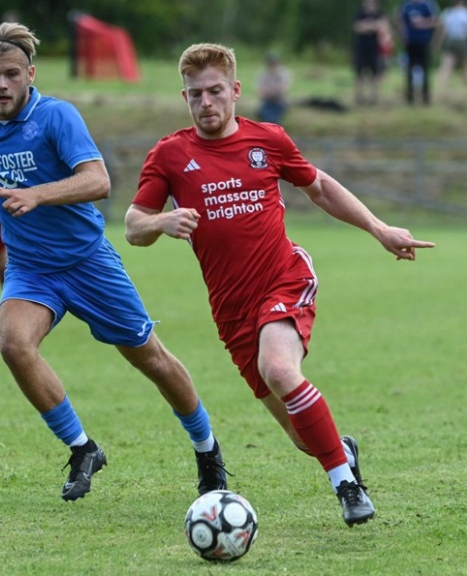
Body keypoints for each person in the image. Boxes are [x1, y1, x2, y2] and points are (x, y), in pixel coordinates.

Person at [125, 43, 435, 527]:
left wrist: (379, 229)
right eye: (195, 95)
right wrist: (161, 222)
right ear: (183, 97)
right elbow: (132, 226)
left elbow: (320, 187)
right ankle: (341, 451)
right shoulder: (170, 154)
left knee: (278, 368)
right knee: (299, 436)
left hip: (284, 278)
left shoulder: (267, 139)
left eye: (215, 91)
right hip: (231, 310)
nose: (206, 102)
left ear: (236, 91)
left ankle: (346, 487)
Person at [0, 22, 228, 502]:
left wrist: (38, 194)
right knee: (13, 343)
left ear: (31, 73)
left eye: (11, 74)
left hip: (88, 263)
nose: (1, 85)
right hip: (31, 269)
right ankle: (82, 448)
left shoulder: (56, 117)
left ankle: (207, 449)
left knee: (150, 359)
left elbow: (98, 182)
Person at [433, 0, 467, 94]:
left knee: (447, 62)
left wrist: (438, 43)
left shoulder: (447, 12)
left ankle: (442, 82)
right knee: (466, 62)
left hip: (451, 40)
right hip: (462, 39)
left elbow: (442, 30)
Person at [397, 0, 439, 106]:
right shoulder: (406, 5)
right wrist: (403, 35)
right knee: (409, 70)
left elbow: (435, 21)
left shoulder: (428, 5)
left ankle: (425, 97)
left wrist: (423, 23)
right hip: (410, 42)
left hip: (423, 42)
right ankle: (410, 97)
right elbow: (400, 20)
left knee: (425, 70)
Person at [353, 0, 390, 107]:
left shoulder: (379, 13)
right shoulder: (359, 13)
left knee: (375, 73)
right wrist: (373, 26)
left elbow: (383, 28)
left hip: (374, 48)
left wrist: (367, 26)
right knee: (359, 73)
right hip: (361, 47)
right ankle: (359, 97)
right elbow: (357, 28)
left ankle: (373, 97)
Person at [255, 52, 291, 124]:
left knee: (272, 117)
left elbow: (284, 89)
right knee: (264, 113)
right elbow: (260, 90)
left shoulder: (283, 73)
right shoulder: (263, 74)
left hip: (279, 101)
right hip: (267, 101)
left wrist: (271, 92)